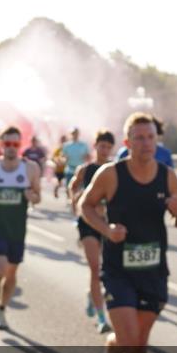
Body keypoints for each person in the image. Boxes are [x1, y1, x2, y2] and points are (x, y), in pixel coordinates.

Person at [83, 113, 177, 353]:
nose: (146, 143)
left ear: (157, 140)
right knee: (130, 338)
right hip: (119, 270)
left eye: (151, 137)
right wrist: (106, 229)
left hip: (153, 270)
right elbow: (85, 206)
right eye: (139, 138)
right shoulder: (111, 174)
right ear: (128, 142)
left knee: (138, 341)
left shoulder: (167, 176)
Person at [0, 126, 42, 330]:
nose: (11, 148)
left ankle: (2, 308)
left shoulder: (31, 168)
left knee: (11, 274)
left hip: (17, 228)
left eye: (15, 144)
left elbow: (38, 196)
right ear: (1, 145)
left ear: (19, 145)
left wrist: (32, 197)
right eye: (7, 144)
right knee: (0, 267)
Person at [69, 130, 115, 333]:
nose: (104, 150)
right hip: (88, 223)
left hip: (109, 224)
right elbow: (73, 187)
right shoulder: (85, 170)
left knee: (109, 272)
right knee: (96, 269)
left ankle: (92, 293)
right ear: (95, 146)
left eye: (107, 147)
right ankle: (102, 317)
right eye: (101, 146)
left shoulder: (115, 171)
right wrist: (77, 200)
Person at [52, 135, 68, 199]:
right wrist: (58, 162)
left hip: (66, 169)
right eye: (62, 140)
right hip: (59, 170)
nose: (64, 142)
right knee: (59, 183)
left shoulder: (68, 148)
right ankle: (55, 191)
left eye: (65, 140)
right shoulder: (58, 149)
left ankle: (68, 197)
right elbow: (53, 158)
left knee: (68, 183)